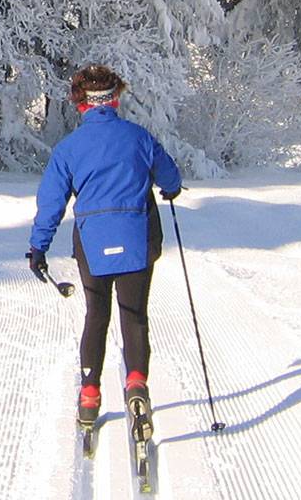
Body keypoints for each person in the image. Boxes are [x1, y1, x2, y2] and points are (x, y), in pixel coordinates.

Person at [27, 64, 182, 432]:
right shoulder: (138, 137)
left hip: (93, 242)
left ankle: (90, 394)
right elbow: (170, 175)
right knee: (134, 315)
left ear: (81, 103)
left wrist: (38, 247)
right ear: (114, 99)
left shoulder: (68, 148)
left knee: (97, 314)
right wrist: (170, 189)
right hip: (138, 237)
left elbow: (51, 202)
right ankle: (136, 384)